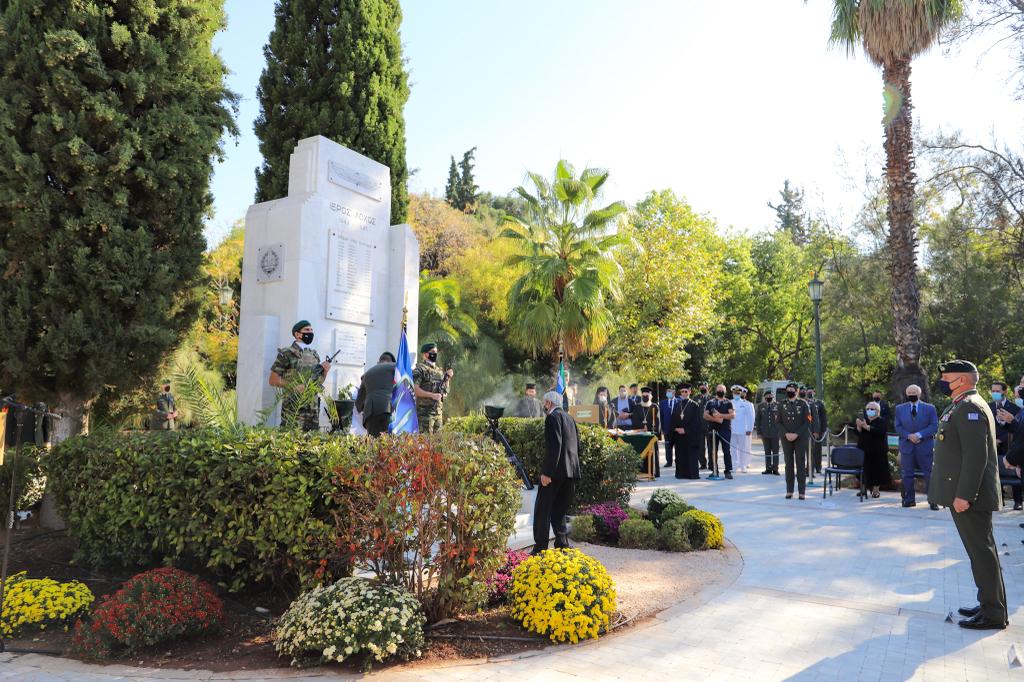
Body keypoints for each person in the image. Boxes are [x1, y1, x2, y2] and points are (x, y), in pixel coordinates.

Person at [928, 360, 1007, 630]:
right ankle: (988, 604)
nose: (942, 381)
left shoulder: (970, 407)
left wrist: (964, 495)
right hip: (968, 495)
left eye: (946, 377)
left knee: (982, 554)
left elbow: (976, 457)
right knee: (980, 553)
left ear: (961, 379)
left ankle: (993, 614)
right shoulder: (962, 404)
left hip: (971, 497)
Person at [532, 391, 581, 555]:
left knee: (542, 509)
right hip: (571, 472)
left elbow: (555, 446)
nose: (544, 405)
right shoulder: (570, 418)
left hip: (555, 473)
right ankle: (562, 544)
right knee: (559, 510)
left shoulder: (552, 418)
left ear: (549, 403)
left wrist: (547, 473)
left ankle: (540, 547)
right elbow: (577, 446)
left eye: (544, 402)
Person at [269, 320, 331, 431]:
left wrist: (325, 372)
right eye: (307, 330)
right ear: (297, 334)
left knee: (312, 439)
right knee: (291, 438)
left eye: (311, 330)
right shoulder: (286, 353)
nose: (310, 332)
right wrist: (294, 386)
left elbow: (318, 382)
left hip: (312, 410)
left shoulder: (314, 354)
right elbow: (273, 380)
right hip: (293, 409)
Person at [894, 384, 939, 509]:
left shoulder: (930, 408)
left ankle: (933, 500)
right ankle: (909, 500)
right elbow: (898, 426)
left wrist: (919, 435)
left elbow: (934, 425)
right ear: (906, 394)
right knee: (907, 474)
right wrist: (909, 436)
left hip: (925, 446)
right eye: (909, 393)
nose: (911, 394)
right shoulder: (899, 409)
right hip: (907, 446)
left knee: (929, 473)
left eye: (914, 392)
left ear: (919, 394)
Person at [989, 381, 1022, 510]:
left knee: (1014, 471)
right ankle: (999, 499)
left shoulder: (1015, 408)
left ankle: (1018, 501)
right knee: (995, 473)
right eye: (993, 391)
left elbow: (1018, 429)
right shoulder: (988, 407)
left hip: (1010, 445)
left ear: (1004, 392)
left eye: (997, 391)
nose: (995, 393)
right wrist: (993, 440)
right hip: (993, 445)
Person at [778, 381, 811, 499]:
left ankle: (802, 491)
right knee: (789, 464)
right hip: (786, 438)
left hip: (800, 438)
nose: (790, 392)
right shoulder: (781, 404)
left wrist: (797, 434)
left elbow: (808, 421)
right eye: (788, 390)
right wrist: (786, 433)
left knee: (800, 464)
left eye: (792, 390)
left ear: (797, 391)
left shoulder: (803, 404)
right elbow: (778, 422)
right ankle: (789, 490)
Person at [412, 342, 453, 433]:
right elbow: (415, 389)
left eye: (436, 352)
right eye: (433, 352)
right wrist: (432, 395)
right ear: (425, 354)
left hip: (438, 413)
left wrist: (448, 379)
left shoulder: (439, 371)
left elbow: (444, 392)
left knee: (438, 441)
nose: (435, 354)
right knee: (425, 440)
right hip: (425, 414)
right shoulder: (420, 369)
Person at [355, 352, 396, 437]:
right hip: (387, 409)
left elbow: (359, 402)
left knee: (373, 442)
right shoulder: (394, 367)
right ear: (391, 362)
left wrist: (362, 408)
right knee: (388, 442)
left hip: (370, 413)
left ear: (378, 362)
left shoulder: (367, 374)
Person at [856, 401, 890, 499]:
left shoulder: (881, 421)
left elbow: (880, 431)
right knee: (863, 470)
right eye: (867, 409)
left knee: (877, 471)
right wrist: (858, 426)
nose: (869, 411)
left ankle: (876, 491)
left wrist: (866, 427)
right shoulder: (864, 420)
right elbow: (858, 433)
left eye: (872, 409)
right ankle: (863, 489)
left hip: (877, 451)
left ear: (878, 411)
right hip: (864, 449)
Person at [671, 383, 703, 479]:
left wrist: (685, 430)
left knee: (691, 455)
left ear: (689, 392)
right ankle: (680, 474)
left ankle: (691, 474)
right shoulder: (677, 405)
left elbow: (697, 422)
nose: (684, 393)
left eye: (686, 391)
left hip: (690, 436)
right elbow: (673, 419)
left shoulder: (695, 405)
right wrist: (675, 428)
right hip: (679, 436)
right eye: (682, 392)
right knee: (680, 455)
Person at [704, 384, 735, 479]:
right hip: (712, 430)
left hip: (725, 430)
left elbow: (732, 415)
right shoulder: (710, 402)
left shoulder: (728, 402)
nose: (720, 391)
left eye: (722, 390)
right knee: (713, 451)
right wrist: (716, 419)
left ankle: (728, 470)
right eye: (719, 390)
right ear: (716, 390)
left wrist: (720, 415)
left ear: (725, 391)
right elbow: (705, 415)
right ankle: (714, 470)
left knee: (726, 450)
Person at [631, 386, 661, 477]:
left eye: (647, 396)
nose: (645, 397)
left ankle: (653, 472)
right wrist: (641, 428)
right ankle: (640, 472)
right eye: (643, 396)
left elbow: (657, 422)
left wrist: (650, 429)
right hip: (640, 435)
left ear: (650, 396)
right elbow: (634, 421)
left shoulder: (654, 407)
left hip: (651, 435)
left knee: (652, 454)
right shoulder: (637, 407)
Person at [730, 385, 755, 473]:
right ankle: (734, 465)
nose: (736, 394)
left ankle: (743, 466)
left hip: (743, 430)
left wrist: (750, 429)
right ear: (732, 393)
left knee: (743, 449)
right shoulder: (729, 402)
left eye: (738, 393)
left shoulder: (746, 404)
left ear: (740, 393)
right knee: (733, 449)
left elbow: (750, 417)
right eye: (735, 393)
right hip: (732, 429)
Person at [756, 391, 781, 475]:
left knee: (775, 451)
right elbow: (758, 420)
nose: (769, 397)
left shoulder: (778, 406)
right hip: (765, 432)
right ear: (765, 397)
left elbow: (781, 420)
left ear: (773, 397)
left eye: (770, 395)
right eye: (767, 396)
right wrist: (759, 432)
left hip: (775, 432)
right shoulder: (761, 406)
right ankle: (768, 468)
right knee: (767, 451)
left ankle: (775, 468)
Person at [807, 388, 828, 474]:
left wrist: (823, 430)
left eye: (811, 391)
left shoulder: (819, 403)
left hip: (817, 430)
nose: (810, 393)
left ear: (814, 392)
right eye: (808, 391)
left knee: (817, 449)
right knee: (809, 450)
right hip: (808, 429)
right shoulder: (805, 402)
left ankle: (818, 467)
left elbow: (823, 417)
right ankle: (809, 467)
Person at [694, 383, 712, 469]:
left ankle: (711, 463)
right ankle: (702, 464)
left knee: (711, 446)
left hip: (710, 426)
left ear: (708, 387)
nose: (702, 388)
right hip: (699, 426)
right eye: (701, 387)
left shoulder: (712, 398)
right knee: (700, 447)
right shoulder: (696, 398)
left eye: (704, 386)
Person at [659, 387, 678, 467]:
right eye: (667, 391)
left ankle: (678, 461)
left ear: (674, 392)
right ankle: (669, 462)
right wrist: (662, 428)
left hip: (677, 428)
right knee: (668, 446)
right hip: (667, 428)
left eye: (670, 391)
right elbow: (661, 416)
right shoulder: (663, 403)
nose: (669, 393)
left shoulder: (679, 401)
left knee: (678, 446)